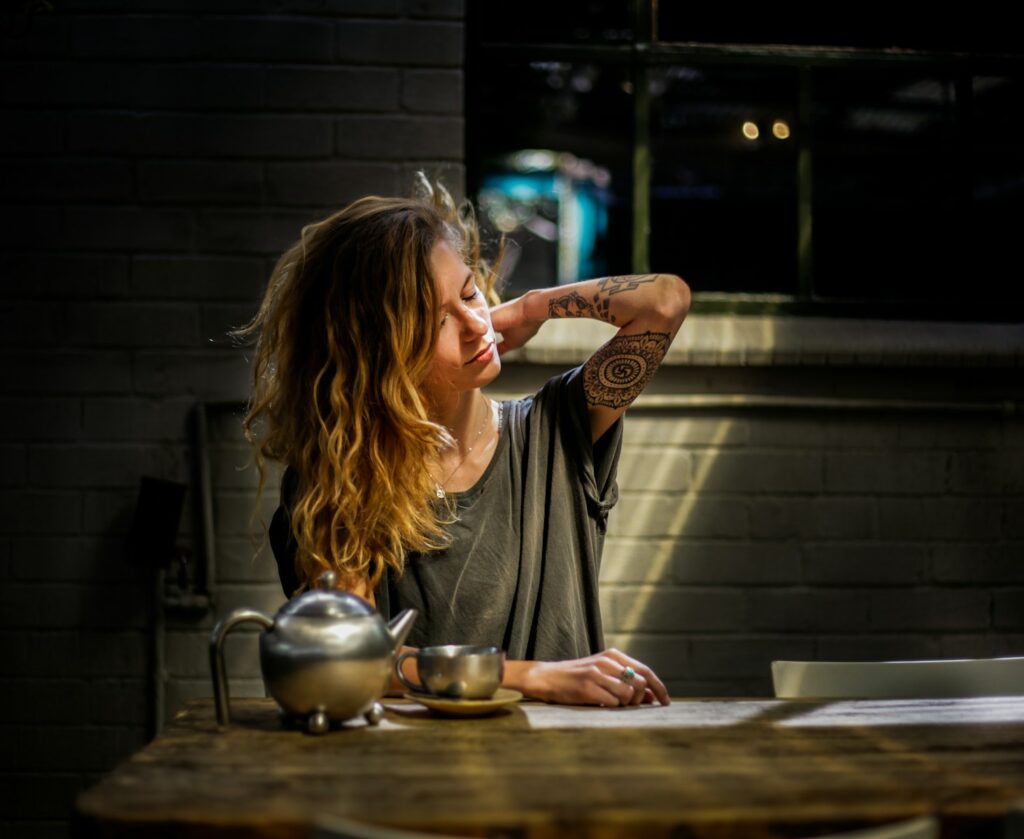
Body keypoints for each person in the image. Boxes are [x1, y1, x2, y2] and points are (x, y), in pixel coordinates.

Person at [237, 177, 690, 707]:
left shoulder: (558, 429)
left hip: (565, 769)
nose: (476, 326)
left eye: (470, 291)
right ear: (379, 353)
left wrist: (530, 308)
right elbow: (348, 660)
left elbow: (664, 302)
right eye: (435, 321)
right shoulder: (340, 480)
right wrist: (531, 676)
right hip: (416, 778)